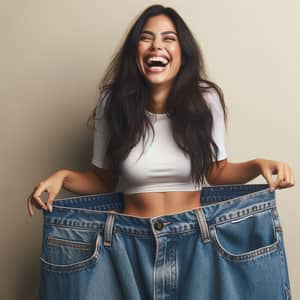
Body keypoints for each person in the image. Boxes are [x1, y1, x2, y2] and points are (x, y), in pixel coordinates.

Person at [27, 4, 295, 300]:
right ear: (135, 52)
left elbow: (216, 173)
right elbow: (103, 180)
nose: (157, 45)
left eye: (169, 38)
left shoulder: (206, 100)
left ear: (182, 52)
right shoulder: (112, 103)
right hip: (129, 244)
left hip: (198, 243)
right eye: (146, 38)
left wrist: (258, 165)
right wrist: (62, 177)